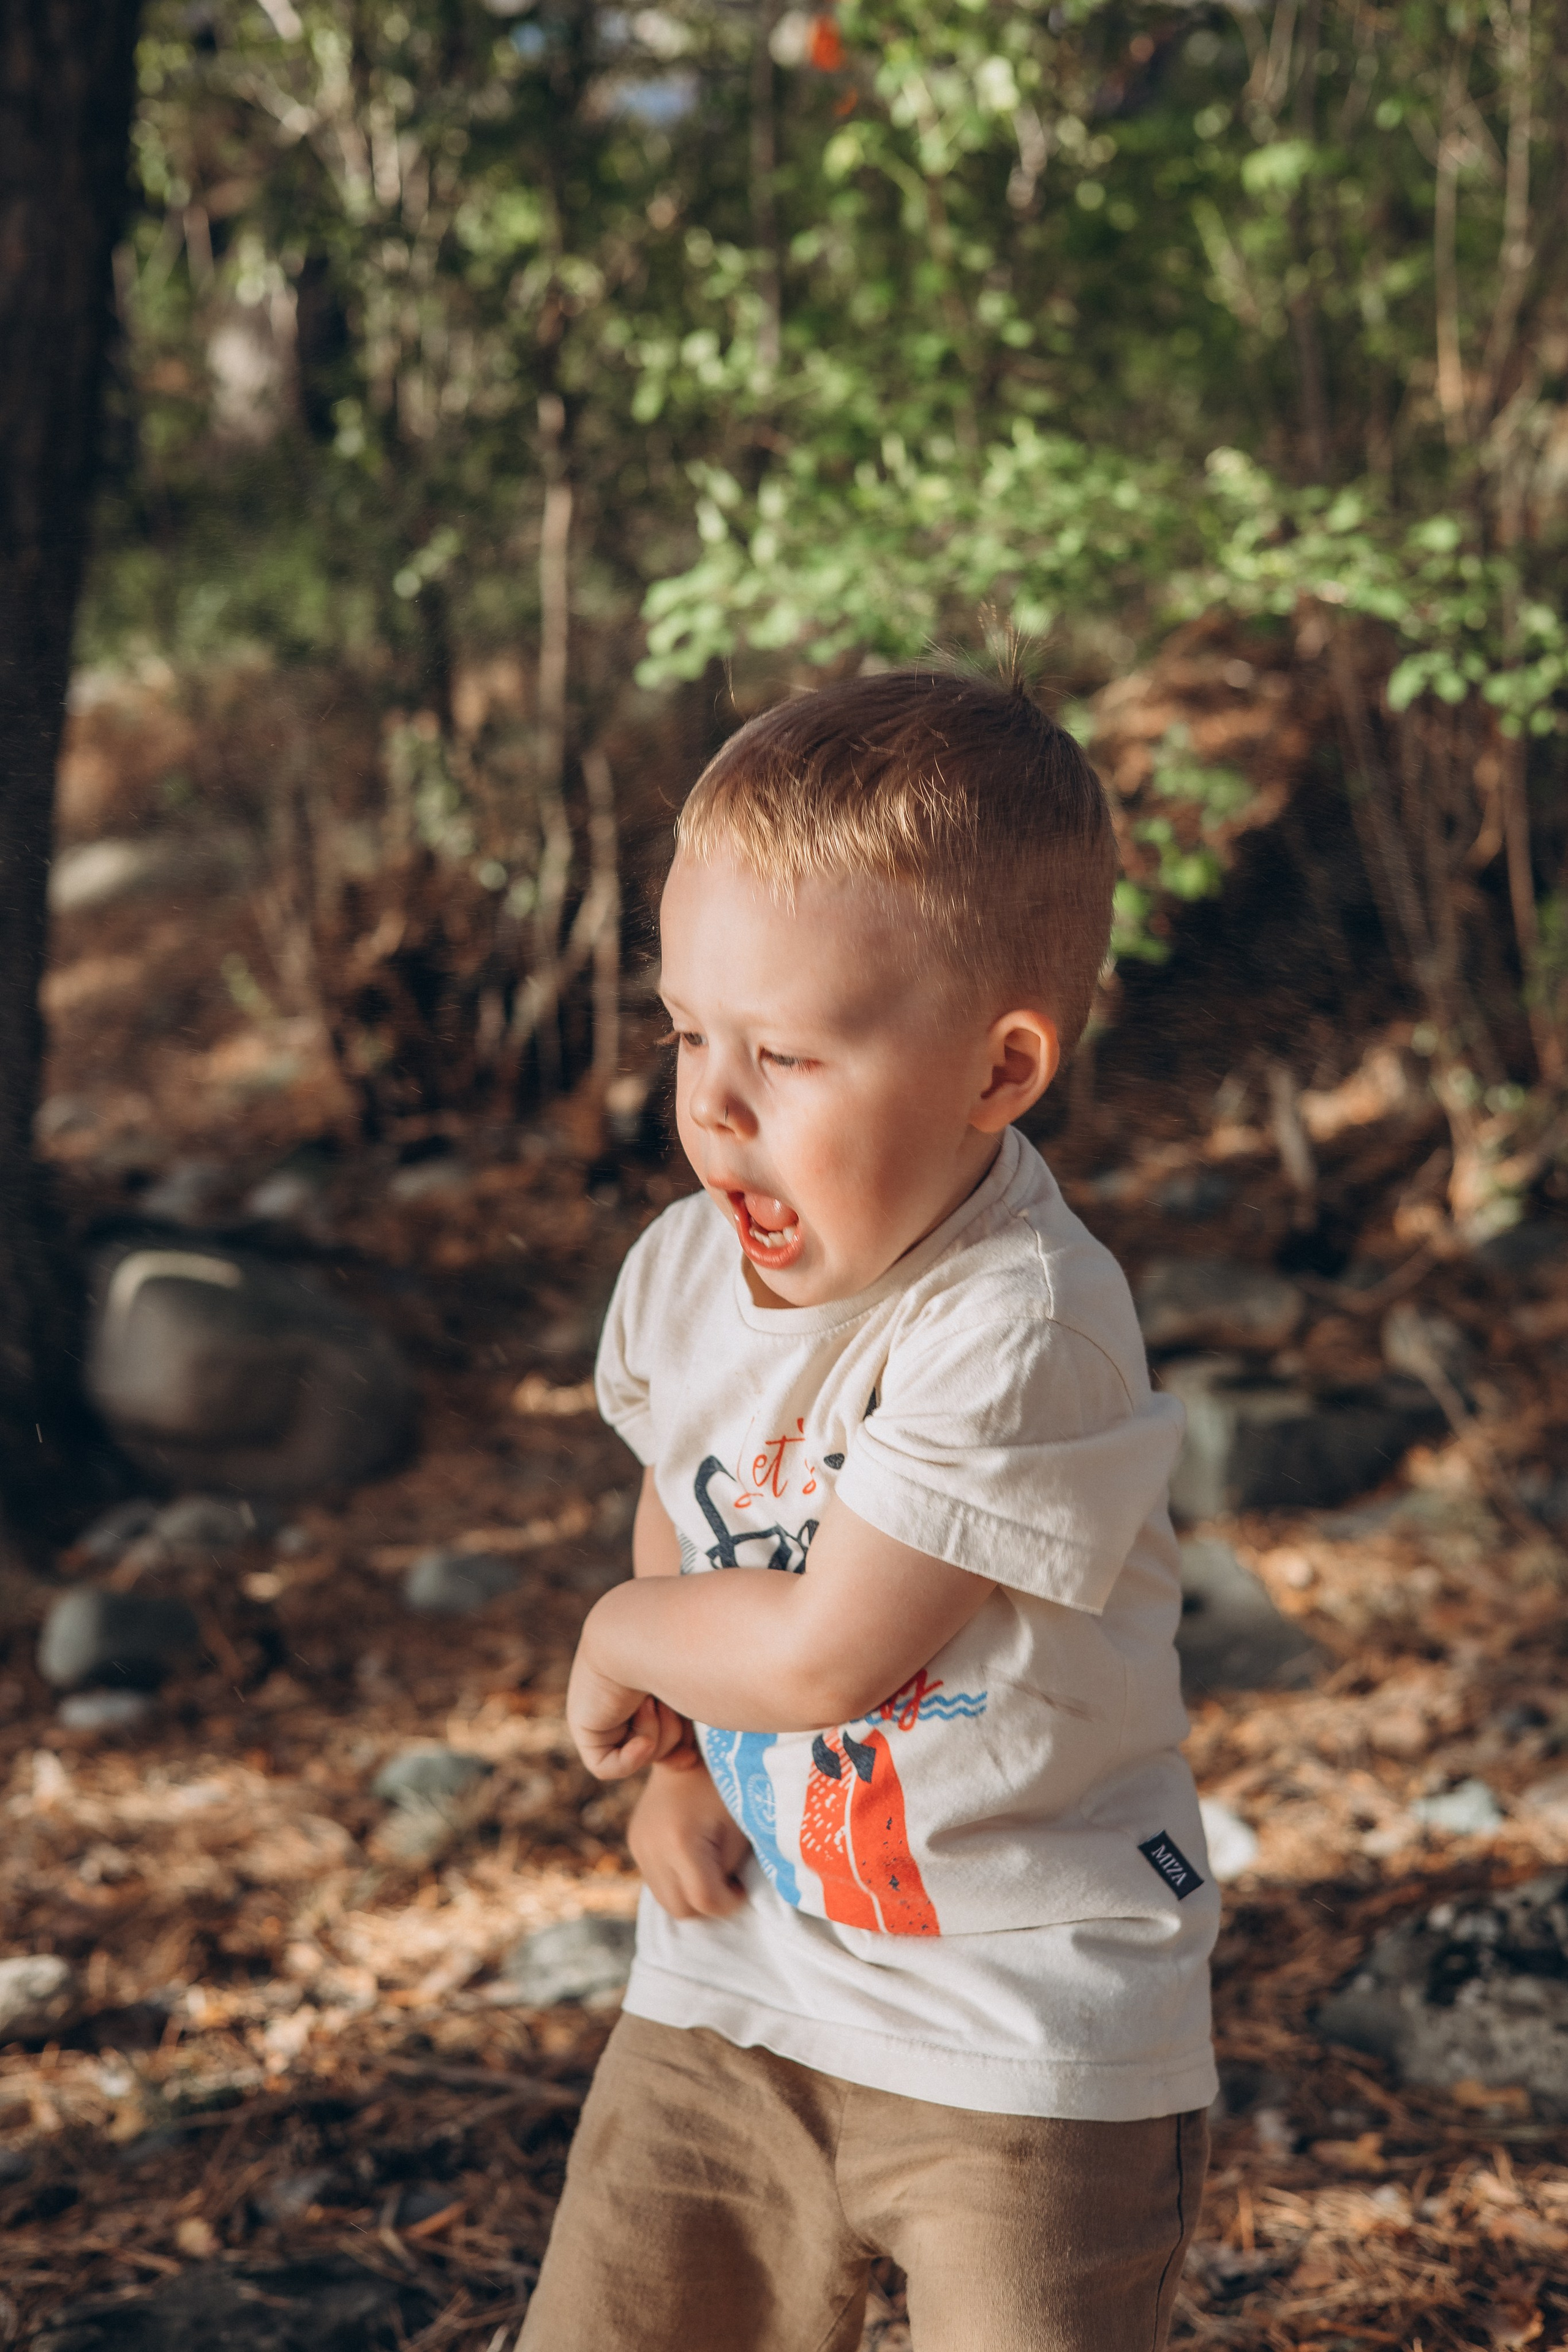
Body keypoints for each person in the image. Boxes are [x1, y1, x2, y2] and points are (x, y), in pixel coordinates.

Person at [521, 667, 1217, 2352]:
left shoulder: (1019, 1321)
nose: (713, 1107)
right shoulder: (691, 1267)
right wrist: (676, 1762)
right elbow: (685, 1503)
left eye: (784, 1055)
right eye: (688, 1033)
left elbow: (831, 1649)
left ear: (999, 1070)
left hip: (1023, 2018)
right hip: (748, 1981)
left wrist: (624, 1642)